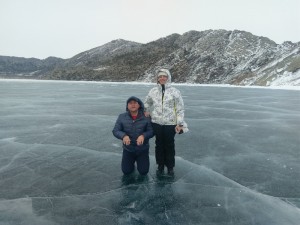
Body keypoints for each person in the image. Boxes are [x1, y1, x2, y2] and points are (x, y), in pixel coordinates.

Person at [144, 68, 188, 175]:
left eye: (164, 76)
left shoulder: (175, 92)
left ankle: (170, 167)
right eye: (160, 77)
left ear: (168, 78)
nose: (162, 78)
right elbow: (147, 103)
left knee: (169, 145)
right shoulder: (153, 91)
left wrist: (180, 123)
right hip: (157, 123)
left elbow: (180, 108)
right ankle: (160, 165)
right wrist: (146, 111)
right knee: (158, 144)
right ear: (157, 79)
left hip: (170, 124)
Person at [112, 96, 154, 176]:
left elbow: (151, 131)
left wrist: (143, 136)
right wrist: (123, 136)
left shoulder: (146, 117)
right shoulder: (122, 117)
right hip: (128, 149)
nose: (133, 105)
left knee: (143, 172)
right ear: (127, 106)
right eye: (130, 103)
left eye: (135, 103)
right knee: (126, 171)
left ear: (139, 105)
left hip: (142, 150)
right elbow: (115, 130)